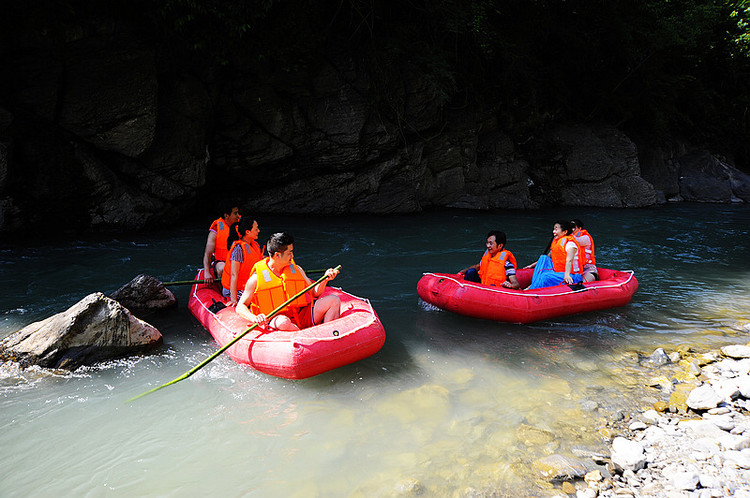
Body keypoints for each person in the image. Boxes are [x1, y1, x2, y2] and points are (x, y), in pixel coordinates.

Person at [236, 232, 341, 331]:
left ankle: (329, 336)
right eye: (289, 253)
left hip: (299, 316)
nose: (293, 256)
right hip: (276, 320)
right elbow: (240, 306)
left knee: (334, 300)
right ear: (277, 255)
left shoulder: (297, 269)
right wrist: (254, 318)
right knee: (283, 322)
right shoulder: (256, 279)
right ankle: (304, 337)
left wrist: (325, 279)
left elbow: (314, 293)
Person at [525, 220, 585, 290]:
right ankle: (532, 287)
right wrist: (532, 265)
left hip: (572, 275)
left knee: (545, 276)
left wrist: (567, 275)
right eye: (554, 229)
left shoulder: (570, 244)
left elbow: (569, 260)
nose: (554, 232)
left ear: (565, 232)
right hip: (558, 272)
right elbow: (547, 258)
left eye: (556, 229)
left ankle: (531, 290)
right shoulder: (557, 243)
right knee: (543, 257)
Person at [220, 216, 264, 305]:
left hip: (248, 286)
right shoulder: (239, 249)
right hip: (234, 289)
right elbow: (234, 274)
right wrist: (233, 299)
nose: (258, 231)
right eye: (256, 229)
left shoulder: (254, 244)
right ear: (247, 232)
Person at [202, 203, 240, 284]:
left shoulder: (241, 226)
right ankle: (223, 292)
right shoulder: (216, 229)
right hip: (220, 261)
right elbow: (208, 253)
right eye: (235, 213)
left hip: (238, 260)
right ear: (226, 216)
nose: (238, 216)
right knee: (223, 268)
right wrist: (207, 272)